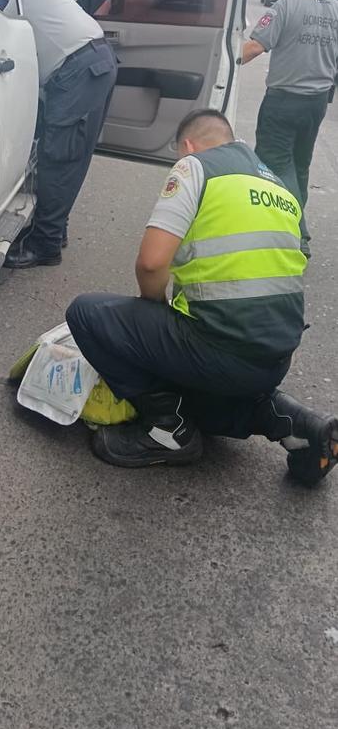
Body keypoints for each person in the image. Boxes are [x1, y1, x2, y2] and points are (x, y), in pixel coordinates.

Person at [66, 109, 338, 486]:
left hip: (221, 351)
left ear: (188, 146)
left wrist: (152, 314)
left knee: (87, 314)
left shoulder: (195, 167)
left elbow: (151, 264)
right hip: (274, 358)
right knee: (202, 396)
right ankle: (298, 425)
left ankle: (169, 432)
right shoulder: (279, 186)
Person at [5, 0, 118, 268]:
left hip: (78, 69)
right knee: (71, 157)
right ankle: (55, 229)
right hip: (94, 60)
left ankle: (46, 245)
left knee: (58, 158)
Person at [243, 0, 338, 257]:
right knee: (299, 163)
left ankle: (296, 233)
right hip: (316, 103)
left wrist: (223, 60)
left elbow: (254, 47)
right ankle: (288, 228)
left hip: (284, 100)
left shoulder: (287, 6)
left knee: (274, 163)